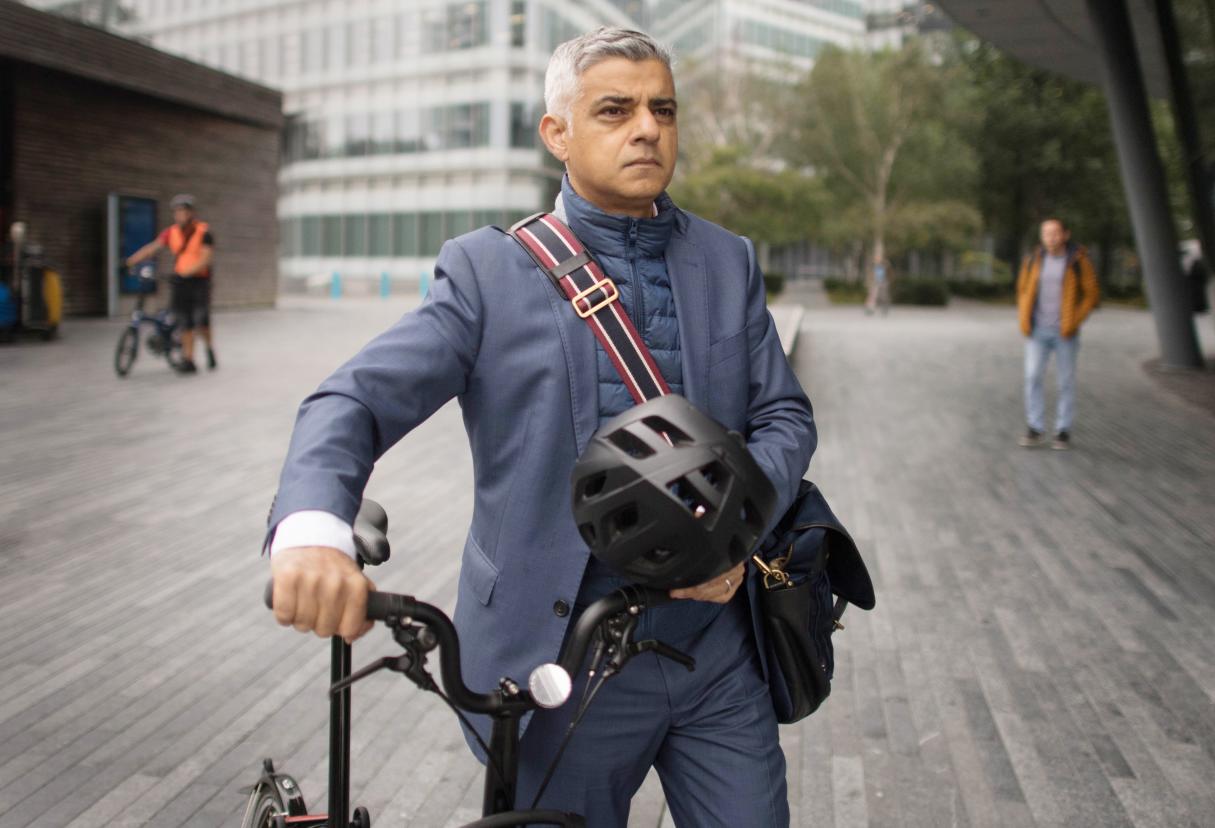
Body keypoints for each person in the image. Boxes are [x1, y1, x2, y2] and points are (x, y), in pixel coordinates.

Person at [264, 27, 814, 827]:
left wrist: (740, 535)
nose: (648, 128)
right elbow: (351, 400)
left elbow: (783, 413)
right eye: (615, 110)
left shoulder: (727, 260)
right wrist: (313, 530)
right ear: (557, 132)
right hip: (558, 657)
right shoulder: (487, 272)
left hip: (718, 648)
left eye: (662, 108)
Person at [1016, 218, 1099, 449]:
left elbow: (1091, 294)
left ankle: (1063, 430)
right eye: (1045, 233)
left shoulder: (1077, 260)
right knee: (1032, 377)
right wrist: (1024, 317)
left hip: (1065, 334)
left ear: (1065, 235)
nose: (1049, 237)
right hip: (1037, 331)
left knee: (1065, 381)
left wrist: (1073, 321)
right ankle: (1035, 427)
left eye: (1054, 233)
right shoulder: (1033, 259)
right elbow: (1023, 290)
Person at [126, 194, 217, 373]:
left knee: (202, 322)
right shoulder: (171, 232)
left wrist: (187, 272)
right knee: (185, 320)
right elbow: (153, 247)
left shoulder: (204, 233)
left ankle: (209, 349)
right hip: (180, 282)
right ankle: (189, 360)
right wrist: (130, 261)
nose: (179, 215)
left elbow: (206, 259)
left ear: (190, 213)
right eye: (177, 212)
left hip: (199, 283)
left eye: (183, 212)